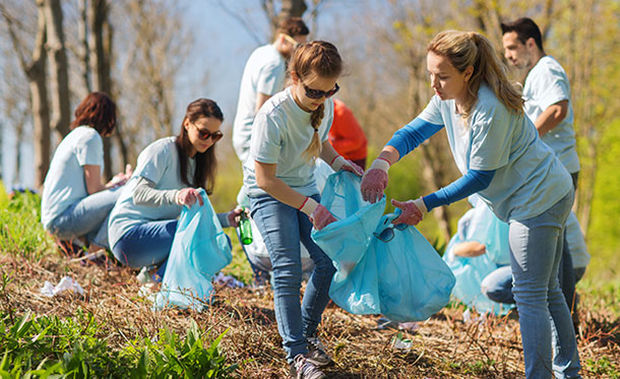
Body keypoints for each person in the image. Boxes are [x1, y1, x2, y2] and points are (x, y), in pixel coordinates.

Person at [361, 30, 580, 378]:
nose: (434, 84)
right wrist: (381, 162)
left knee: (529, 293)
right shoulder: (449, 96)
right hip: (540, 192)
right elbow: (414, 132)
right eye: (430, 73)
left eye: (442, 76)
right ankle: (569, 372)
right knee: (547, 289)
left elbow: (480, 178)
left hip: (538, 198)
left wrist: (423, 203)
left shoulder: (489, 108)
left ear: (468, 73)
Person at [243, 41, 363, 378]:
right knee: (288, 267)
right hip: (270, 194)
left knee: (327, 262)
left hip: (305, 188)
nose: (321, 99)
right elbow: (265, 179)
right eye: (314, 91)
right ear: (294, 77)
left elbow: (318, 141)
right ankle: (296, 354)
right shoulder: (272, 115)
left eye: (330, 91)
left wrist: (340, 163)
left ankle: (307, 333)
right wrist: (311, 207)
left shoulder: (322, 105)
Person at [501, 16, 582, 323]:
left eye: (512, 47)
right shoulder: (537, 73)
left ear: (530, 43)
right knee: (556, 246)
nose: (509, 55)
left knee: (554, 247)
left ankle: (565, 319)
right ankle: (566, 317)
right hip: (552, 173)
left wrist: (526, 139)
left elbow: (557, 109)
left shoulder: (547, 69)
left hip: (559, 170)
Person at [107, 98, 241, 276]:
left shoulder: (196, 165)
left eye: (216, 135)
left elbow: (196, 218)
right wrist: (176, 195)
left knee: (220, 241)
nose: (209, 140)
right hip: (128, 236)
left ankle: (153, 278)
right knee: (199, 238)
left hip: (156, 237)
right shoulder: (163, 150)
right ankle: (157, 282)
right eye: (204, 133)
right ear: (187, 124)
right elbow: (138, 193)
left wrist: (227, 219)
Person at [41, 92, 131, 252]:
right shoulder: (90, 137)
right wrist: (120, 185)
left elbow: (89, 191)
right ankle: (96, 252)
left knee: (121, 194)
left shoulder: (74, 136)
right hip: (62, 220)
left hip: (55, 219)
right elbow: (94, 190)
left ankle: (75, 243)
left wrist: (113, 184)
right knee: (127, 193)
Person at [232, 17, 310, 165]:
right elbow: (263, 110)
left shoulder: (261, 52)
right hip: (253, 138)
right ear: (283, 39)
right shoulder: (275, 64)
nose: (298, 52)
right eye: (298, 46)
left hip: (242, 134)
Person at [329, 99, 368, 169]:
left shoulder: (340, 112)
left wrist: (330, 146)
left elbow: (356, 141)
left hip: (354, 159)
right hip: (335, 157)